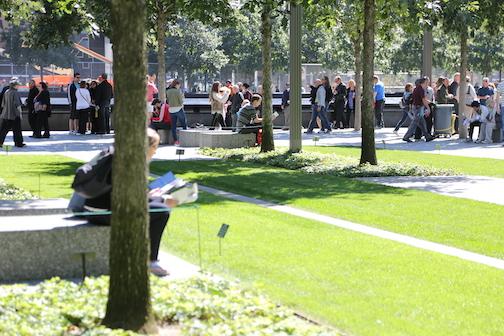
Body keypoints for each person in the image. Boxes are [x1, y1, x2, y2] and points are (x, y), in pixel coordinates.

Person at [82, 128, 176, 276]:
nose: (155, 152)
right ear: (145, 146)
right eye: (155, 147)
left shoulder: (118, 156)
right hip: (105, 213)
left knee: (157, 205)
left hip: (92, 209)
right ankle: (151, 261)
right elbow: (130, 199)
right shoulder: (131, 163)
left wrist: (150, 195)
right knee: (162, 210)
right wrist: (163, 199)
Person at [402, 77, 434, 142]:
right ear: (424, 83)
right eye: (427, 83)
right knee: (415, 123)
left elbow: (423, 99)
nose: (427, 84)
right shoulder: (420, 89)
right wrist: (428, 108)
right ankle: (406, 137)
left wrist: (430, 102)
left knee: (422, 123)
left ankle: (427, 136)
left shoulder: (417, 88)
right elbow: (423, 100)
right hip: (418, 108)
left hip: (417, 107)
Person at [0, 79, 25, 147]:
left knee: (3, 130)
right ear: (15, 85)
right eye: (18, 85)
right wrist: (20, 114)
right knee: (17, 130)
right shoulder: (15, 92)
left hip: (5, 114)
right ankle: (18, 143)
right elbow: (17, 105)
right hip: (14, 114)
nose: (19, 86)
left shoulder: (6, 92)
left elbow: (3, 104)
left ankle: (0, 142)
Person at [166, 79, 187, 144]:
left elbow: (167, 101)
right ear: (176, 85)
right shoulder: (178, 91)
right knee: (183, 123)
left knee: (173, 126)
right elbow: (181, 101)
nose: (179, 86)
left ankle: (176, 141)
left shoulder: (168, 91)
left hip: (171, 110)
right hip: (178, 109)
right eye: (179, 85)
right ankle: (185, 139)